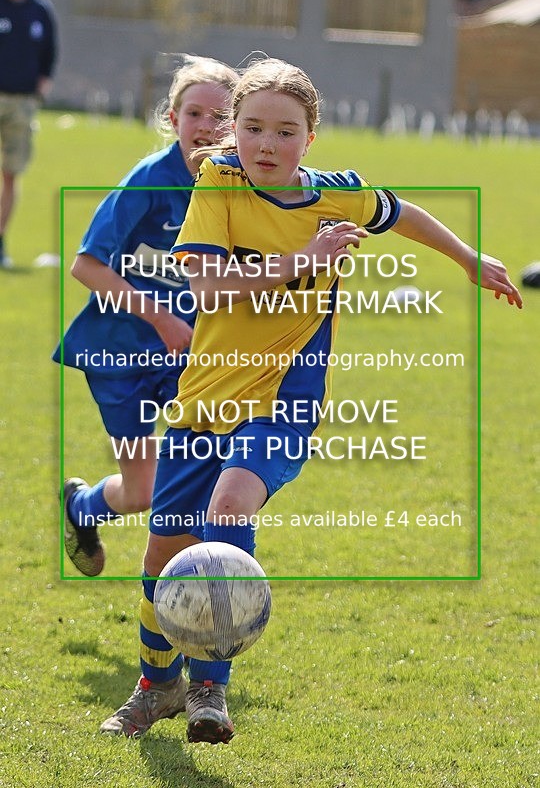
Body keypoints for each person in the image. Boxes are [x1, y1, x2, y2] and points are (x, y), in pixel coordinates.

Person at [100, 57, 522, 743]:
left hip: (282, 402)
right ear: (233, 131)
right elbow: (208, 289)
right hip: (206, 399)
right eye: (254, 127)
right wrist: (306, 259)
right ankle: (157, 686)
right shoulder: (221, 184)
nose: (267, 144)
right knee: (162, 557)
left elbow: (400, 211)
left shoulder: (338, 197)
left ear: (311, 138)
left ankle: (210, 690)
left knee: (229, 508)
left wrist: (469, 259)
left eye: (285, 131)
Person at [53, 56, 238, 577]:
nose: (205, 127)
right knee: (144, 491)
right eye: (194, 113)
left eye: (219, 117)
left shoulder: (238, 186)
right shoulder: (148, 180)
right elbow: (85, 265)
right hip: (122, 357)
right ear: (173, 118)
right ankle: (81, 507)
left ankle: (193, 592)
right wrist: (161, 319)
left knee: (204, 477)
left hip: (189, 360)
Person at [0, 0, 57, 267]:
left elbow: (49, 56)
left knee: (11, 174)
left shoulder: (41, 10)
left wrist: (40, 89)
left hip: (23, 104)